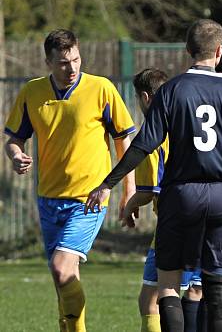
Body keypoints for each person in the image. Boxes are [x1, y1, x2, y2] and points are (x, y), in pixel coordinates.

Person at [86, 19, 222, 332]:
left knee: (167, 287)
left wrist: (107, 184)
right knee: (218, 293)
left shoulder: (172, 90)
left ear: (188, 50)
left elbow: (142, 145)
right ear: (219, 51)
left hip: (180, 196)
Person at [3, 29, 136, 331]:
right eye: (63, 63)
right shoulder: (32, 93)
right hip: (48, 199)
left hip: (89, 198)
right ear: (48, 61)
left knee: (62, 269)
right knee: (62, 281)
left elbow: (124, 142)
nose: (72, 68)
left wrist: (126, 189)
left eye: (76, 59)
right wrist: (14, 155)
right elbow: (13, 139)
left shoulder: (101, 88)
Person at [124, 68, 205, 332]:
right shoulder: (188, 122)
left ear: (146, 97)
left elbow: (149, 190)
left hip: (174, 223)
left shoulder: (153, 131)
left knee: (151, 301)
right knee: (198, 293)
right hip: (209, 215)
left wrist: (130, 204)